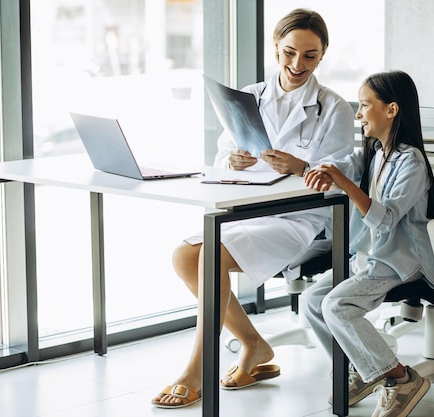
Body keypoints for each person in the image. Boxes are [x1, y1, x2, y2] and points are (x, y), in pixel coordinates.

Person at [152, 8, 355, 409]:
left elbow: (341, 173)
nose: (298, 64)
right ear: (276, 47)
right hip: (254, 208)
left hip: (302, 218)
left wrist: (302, 167)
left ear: (323, 54)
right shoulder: (251, 96)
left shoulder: (334, 108)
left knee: (207, 254)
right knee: (183, 256)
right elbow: (227, 150)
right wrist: (235, 160)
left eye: (310, 56)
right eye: (289, 52)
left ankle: (197, 370)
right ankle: (253, 345)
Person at [301, 70, 434, 417]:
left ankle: (400, 378)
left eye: (364, 105)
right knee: (312, 301)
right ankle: (364, 370)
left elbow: (386, 219)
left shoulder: (412, 162)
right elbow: (341, 165)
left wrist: (345, 183)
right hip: (371, 256)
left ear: (391, 110)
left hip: (403, 261)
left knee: (336, 305)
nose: (358, 114)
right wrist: (328, 169)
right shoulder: (376, 154)